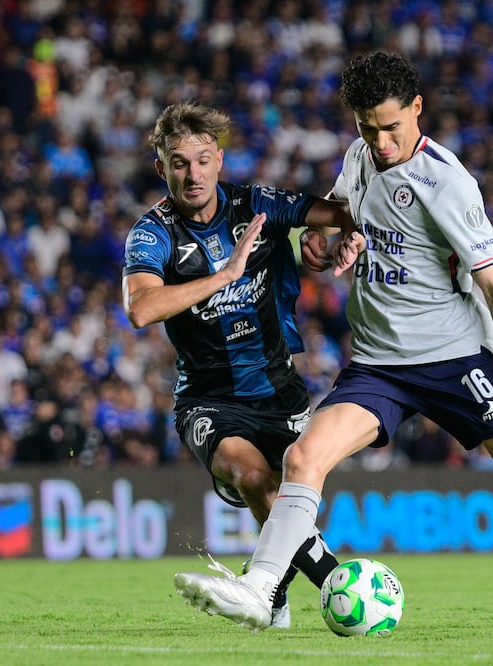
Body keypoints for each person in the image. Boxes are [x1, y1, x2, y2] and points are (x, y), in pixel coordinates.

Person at [173, 51, 493, 632]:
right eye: (366, 128)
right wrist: (325, 245)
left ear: (417, 109)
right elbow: (339, 226)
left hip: (455, 360)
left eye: (391, 128)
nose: (380, 142)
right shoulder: (359, 158)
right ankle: (261, 590)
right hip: (379, 366)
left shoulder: (448, 185)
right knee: (303, 457)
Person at [122, 102, 356, 629]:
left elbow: (344, 211)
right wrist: (224, 274)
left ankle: (270, 598)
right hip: (209, 401)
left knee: (286, 498)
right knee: (252, 475)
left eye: (203, 160)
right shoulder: (152, 233)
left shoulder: (257, 206)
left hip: (282, 393)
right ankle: (342, 586)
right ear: (161, 168)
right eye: (178, 162)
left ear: (219, 160)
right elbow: (141, 308)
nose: (193, 174)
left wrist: (336, 238)